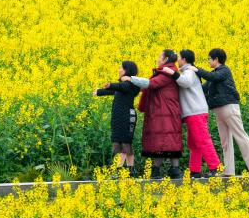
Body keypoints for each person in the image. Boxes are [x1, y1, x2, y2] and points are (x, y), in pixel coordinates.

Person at [188, 48, 249, 176]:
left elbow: (214, 77)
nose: (208, 61)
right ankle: (228, 171)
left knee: (240, 135)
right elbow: (202, 89)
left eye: (209, 59)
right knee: (225, 141)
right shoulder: (214, 74)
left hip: (229, 107)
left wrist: (197, 70)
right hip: (219, 110)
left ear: (216, 59)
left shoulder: (224, 71)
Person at [154, 49, 221, 178]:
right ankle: (195, 171)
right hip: (192, 112)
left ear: (184, 60)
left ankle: (215, 168)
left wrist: (173, 74)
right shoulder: (186, 71)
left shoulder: (189, 70)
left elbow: (186, 82)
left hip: (195, 111)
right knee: (193, 143)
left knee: (203, 140)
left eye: (179, 57)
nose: (177, 60)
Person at [122, 49, 182, 179]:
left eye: (160, 56)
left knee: (165, 141)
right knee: (165, 141)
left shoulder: (167, 73)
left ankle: (164, 171)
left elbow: (151, 84)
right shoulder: (168, 71)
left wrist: (131, 79)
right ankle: (168, 171)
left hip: (165, 112)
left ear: (166, 59)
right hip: (164, 112)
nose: (158, 59)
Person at [93, 61, 141, 176]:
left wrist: (110, 84)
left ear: (126, 70)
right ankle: (131, 170)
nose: (119, 70)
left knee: (124, 142)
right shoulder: (124, 86)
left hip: (127, 117)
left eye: (121, 68)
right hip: (120, 117)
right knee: (124, 142)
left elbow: (119, 86)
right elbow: (113, 90)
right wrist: (99, 92)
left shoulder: (129, 85)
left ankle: (118, 170)